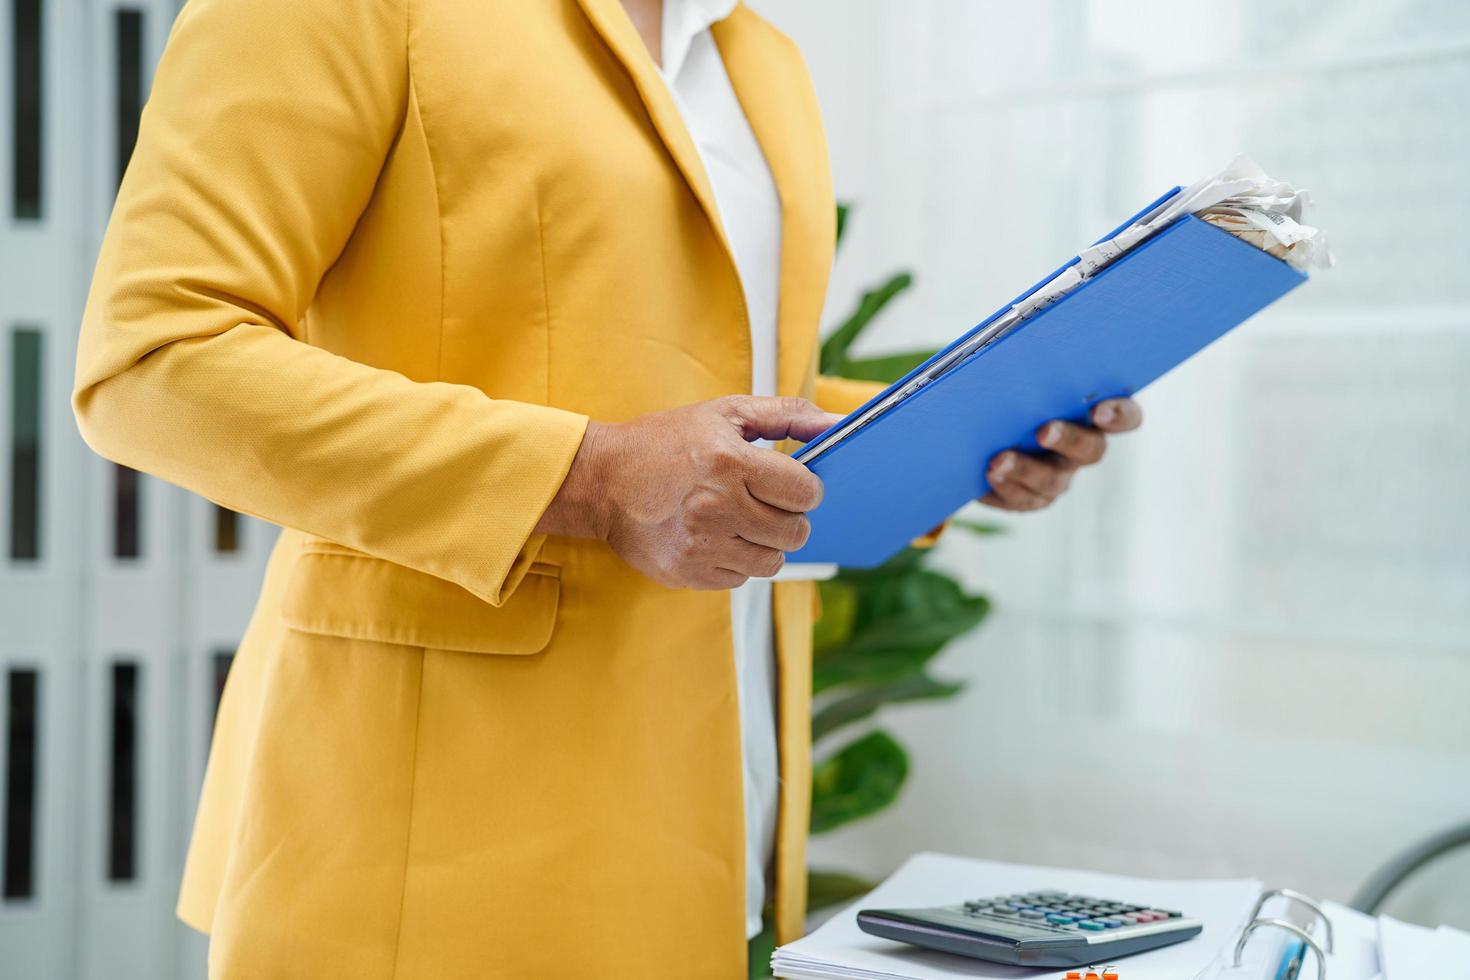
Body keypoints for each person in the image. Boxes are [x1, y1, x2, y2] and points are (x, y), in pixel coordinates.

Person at [72, 0, 1142, 976]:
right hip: (433, 825)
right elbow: (155, 360)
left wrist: (959, 433)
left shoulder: (753, 53)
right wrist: (590, 476)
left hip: (711, 809)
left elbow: (712, 375)